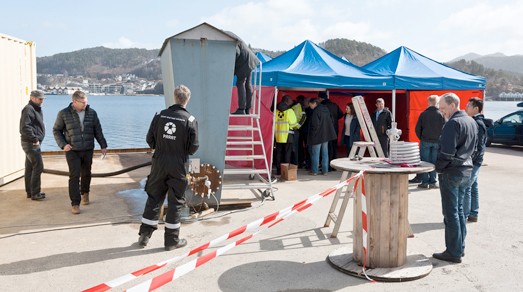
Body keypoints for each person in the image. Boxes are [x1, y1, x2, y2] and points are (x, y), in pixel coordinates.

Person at [138, 85, 199, 251]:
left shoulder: (159, 115)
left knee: (154, 197)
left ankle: (144, 236)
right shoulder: (190, 120)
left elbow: (149, 139)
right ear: (187, 99)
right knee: (175, 202)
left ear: (174, 97)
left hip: (159, 162)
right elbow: (193, 147)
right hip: (178, 165)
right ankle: (171, 241)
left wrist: (162, 147)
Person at [433, 92, 477, 264]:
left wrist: (437, 168)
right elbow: (475, 148)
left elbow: (447, 152)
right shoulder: (471, 121)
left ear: (453, 105)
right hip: (466, 170)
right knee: (459, 212)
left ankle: (453, 252)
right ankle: (459, 248)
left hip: (452, 172)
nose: (442, 112)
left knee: (451, 214)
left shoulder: (453, 123)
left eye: (443, 109)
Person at [53, 90, 107, 214]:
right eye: (82, 102)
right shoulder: (63, 113)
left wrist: (103, 145)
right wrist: (63, 144)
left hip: (88, 149)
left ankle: (85, 193)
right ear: (74, 102)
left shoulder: (92, 113)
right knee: (74, 176)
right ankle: (75, 203)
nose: (85, 105)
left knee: (86, 173)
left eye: (86, 102)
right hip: (72, 150)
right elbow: (56, 130)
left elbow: (98, 130)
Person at [413, 95, 445, 189]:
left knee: (424, 162)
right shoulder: (441, 114)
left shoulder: (423, 114)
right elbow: (444, 128)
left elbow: (417, 128)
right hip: (436, 141)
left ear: (428, 102)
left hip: (425, 140)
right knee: (434, 162)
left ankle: (424, 181)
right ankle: (433, 181)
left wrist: (421, 137)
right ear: (437, 103)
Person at [20, 90, 46, 201]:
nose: (42, 101)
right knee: (38, 167)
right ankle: (35, 193)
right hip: (31, 143)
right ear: (33, 98)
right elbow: (25, 127)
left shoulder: (34, 109)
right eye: (40, 99)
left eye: (42, 99)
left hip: (30, 142)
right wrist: (34, 139)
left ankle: (30, 192)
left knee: (30, 167)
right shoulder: (29, 109)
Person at [464, 97, 487, 223]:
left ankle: (465, 214)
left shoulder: (478, 123)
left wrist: (470, 160)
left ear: (476, 108)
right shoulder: (476, 121)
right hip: (476, 160)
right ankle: (473, 213)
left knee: (467, 187)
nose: (466, 107)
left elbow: (478, 146)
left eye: (468, 106)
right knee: (473, 187)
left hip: (474, 161)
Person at [230, 36, 259, 115]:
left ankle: (242, 108)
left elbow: (236, 53)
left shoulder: (228, 40)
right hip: (251, 59)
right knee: (248, 84)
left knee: (240, 83)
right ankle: (247, 109)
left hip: (245, 62)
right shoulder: (231, 36)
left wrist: (231, 67)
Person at [308, 98, 337, 176]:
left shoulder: (315, 111)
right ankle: (325, 171)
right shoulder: (326, 110)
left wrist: (312, 134)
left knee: (315, 154)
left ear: (314, 103)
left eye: (310, 104)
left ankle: (314, 171)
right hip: (326, 135)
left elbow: (315, 125)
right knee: (325, 154)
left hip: (317, 136)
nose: (309, 106)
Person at [274, 95, 298, 175]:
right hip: (288, 136)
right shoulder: (289, 111)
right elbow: (293, 124)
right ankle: (285, 171)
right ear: (287, 101)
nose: (292, 102)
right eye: (291, 100)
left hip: (278, 136)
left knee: (278, 153)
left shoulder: (276, 110)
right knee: (287, 154)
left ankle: (278, 171)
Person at [319, 91, 343, 168]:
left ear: (320, 98)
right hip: (335, 128)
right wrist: (335, 119)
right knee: (334, 147)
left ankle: (327, 165)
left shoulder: (321, 106)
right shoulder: (335, 105)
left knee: (326, 148)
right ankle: (334, 165)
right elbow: (341, 114)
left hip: (325, 130)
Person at [291, 95, 307, 165]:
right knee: (298, 146)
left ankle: (299, 161)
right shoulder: (297, 106)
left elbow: (303, 117)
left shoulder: (299, 106)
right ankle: (299, 161)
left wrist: (298, 126)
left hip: (298, 129)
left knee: (298, 146)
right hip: (298, 129)